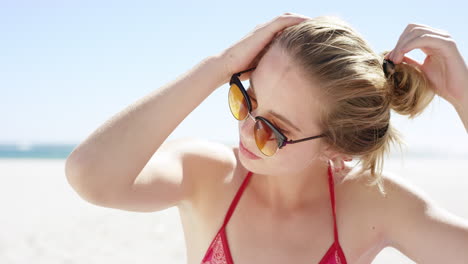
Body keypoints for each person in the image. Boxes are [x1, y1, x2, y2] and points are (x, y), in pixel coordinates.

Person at [65, 12, 468, 263]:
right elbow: (91, 176)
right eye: (245, 98)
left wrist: (464, 99)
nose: (244, 128)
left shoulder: (373, 204)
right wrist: (218, 66)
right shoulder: (207, 175)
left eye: (272, 129)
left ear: (336, 145)